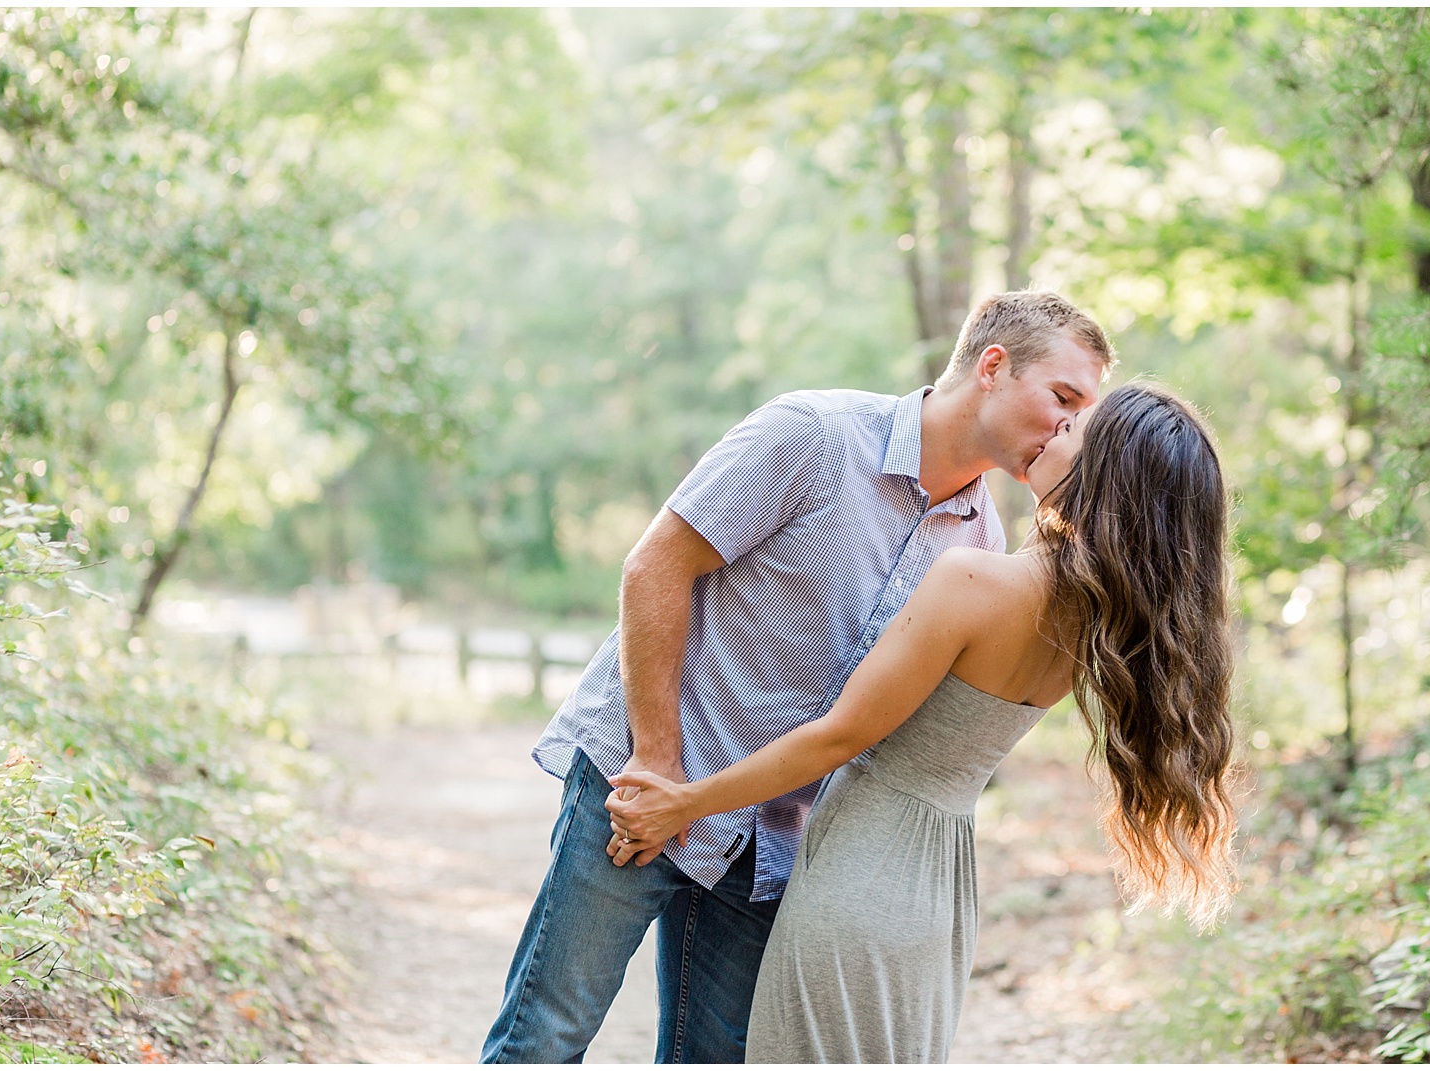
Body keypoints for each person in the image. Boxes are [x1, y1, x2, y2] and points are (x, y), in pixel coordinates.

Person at [477, 290, 1116, 1063]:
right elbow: (656, 564)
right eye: (1063, 397)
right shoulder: (814, 436)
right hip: (642, 784)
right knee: (543, 1037)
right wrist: (656, 757)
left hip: (769, 842)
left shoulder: (982, 542)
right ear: (992, 366)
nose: (1068, 428)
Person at [605, 383, 1239, 1063]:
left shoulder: (973, 581)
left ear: (1107, 471)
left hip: (863, 873)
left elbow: (840, 735)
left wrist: (686, 801)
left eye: (1076, 425)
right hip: (940, 891)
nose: (1055, 428)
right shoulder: (1098, 627)